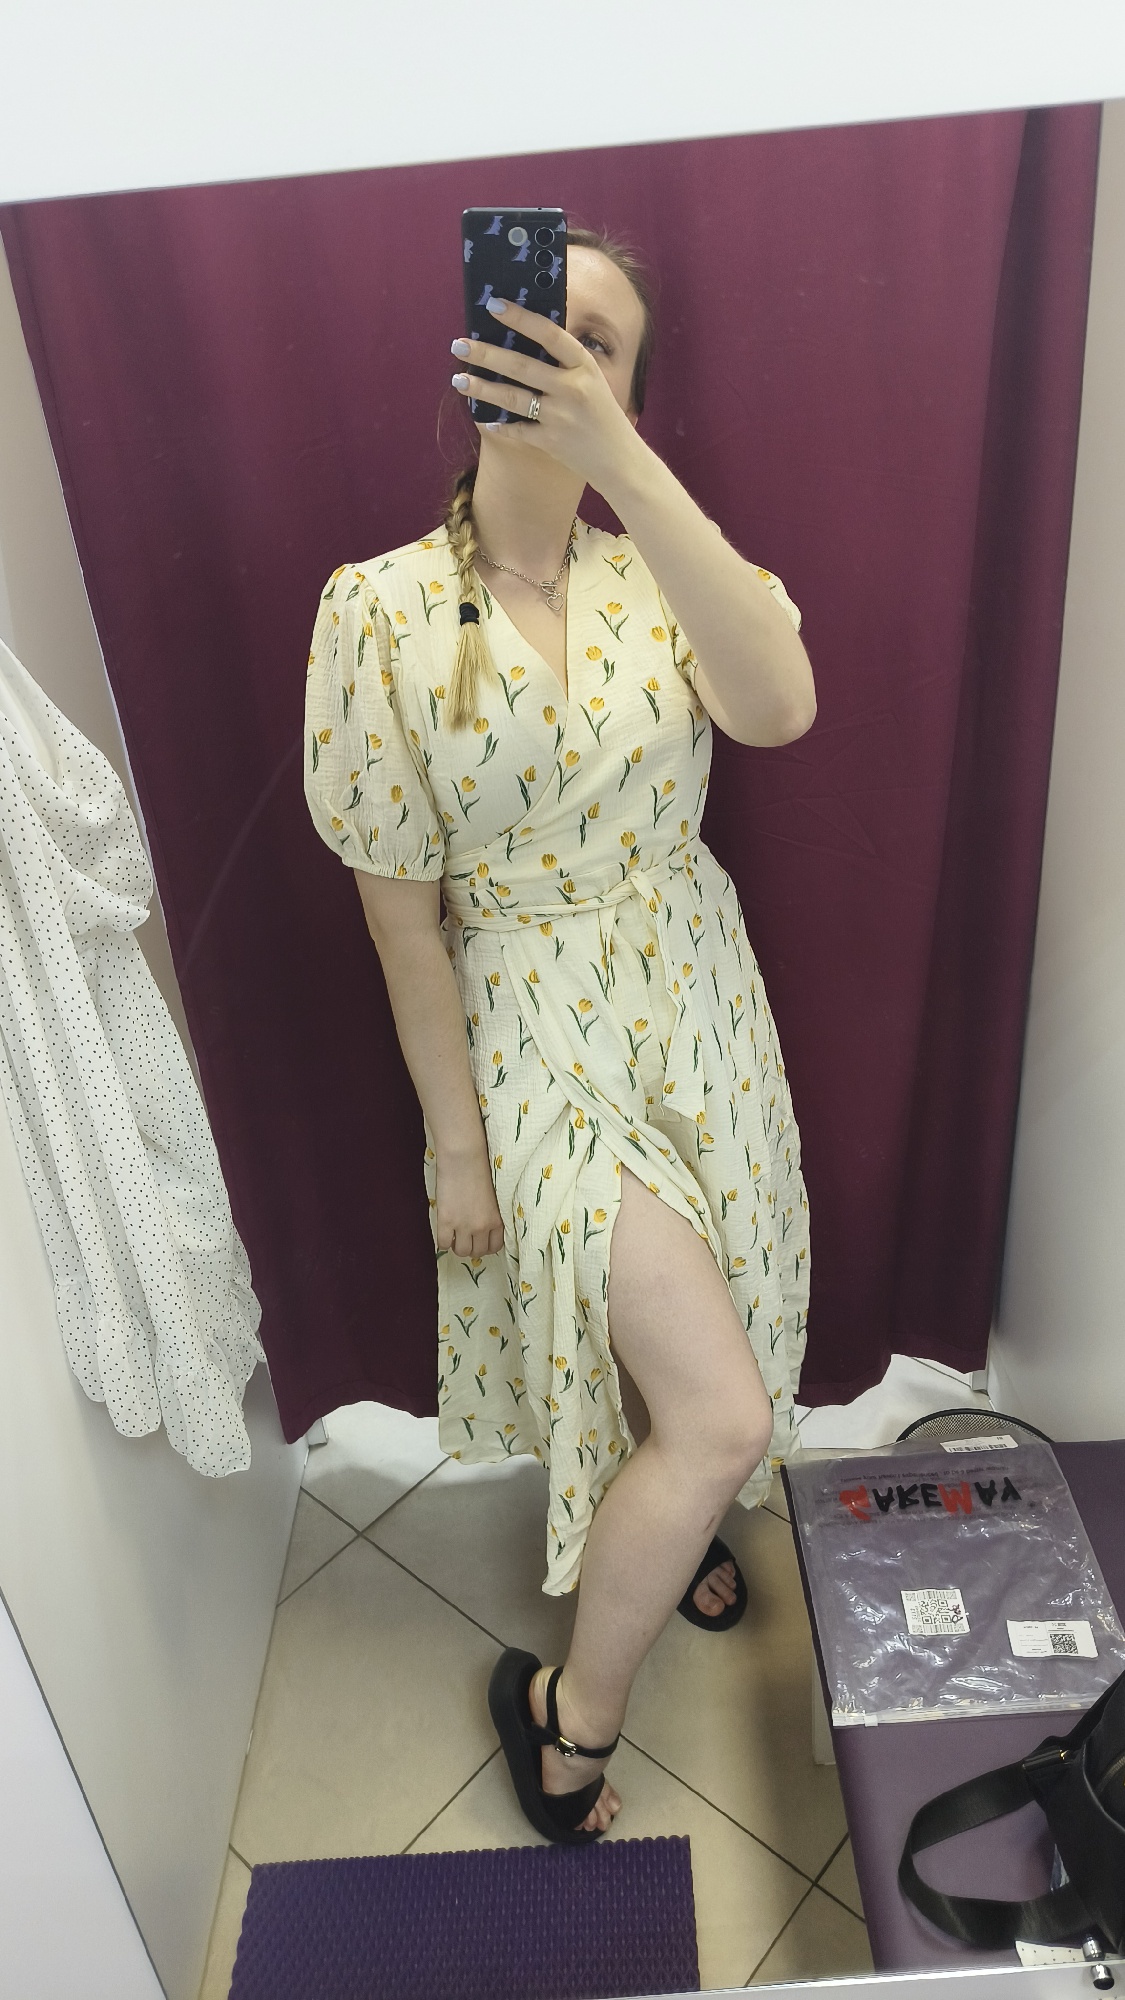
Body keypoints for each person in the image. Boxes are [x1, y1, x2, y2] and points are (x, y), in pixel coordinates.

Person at [303, 224, 816, 1844]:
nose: (556, 355)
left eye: (596, 341)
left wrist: (625, 466)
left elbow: (778, 708)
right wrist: (456, 1148)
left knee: (710, 1312)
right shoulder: (378, 611)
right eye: (532, 321)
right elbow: (403, 921)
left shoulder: (668, 565)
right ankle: (565, 1721)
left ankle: (665, 1522)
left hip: (696, 989)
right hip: (531, 1019)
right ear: (470, 347)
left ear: (632, 389)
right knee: (720, 1415)